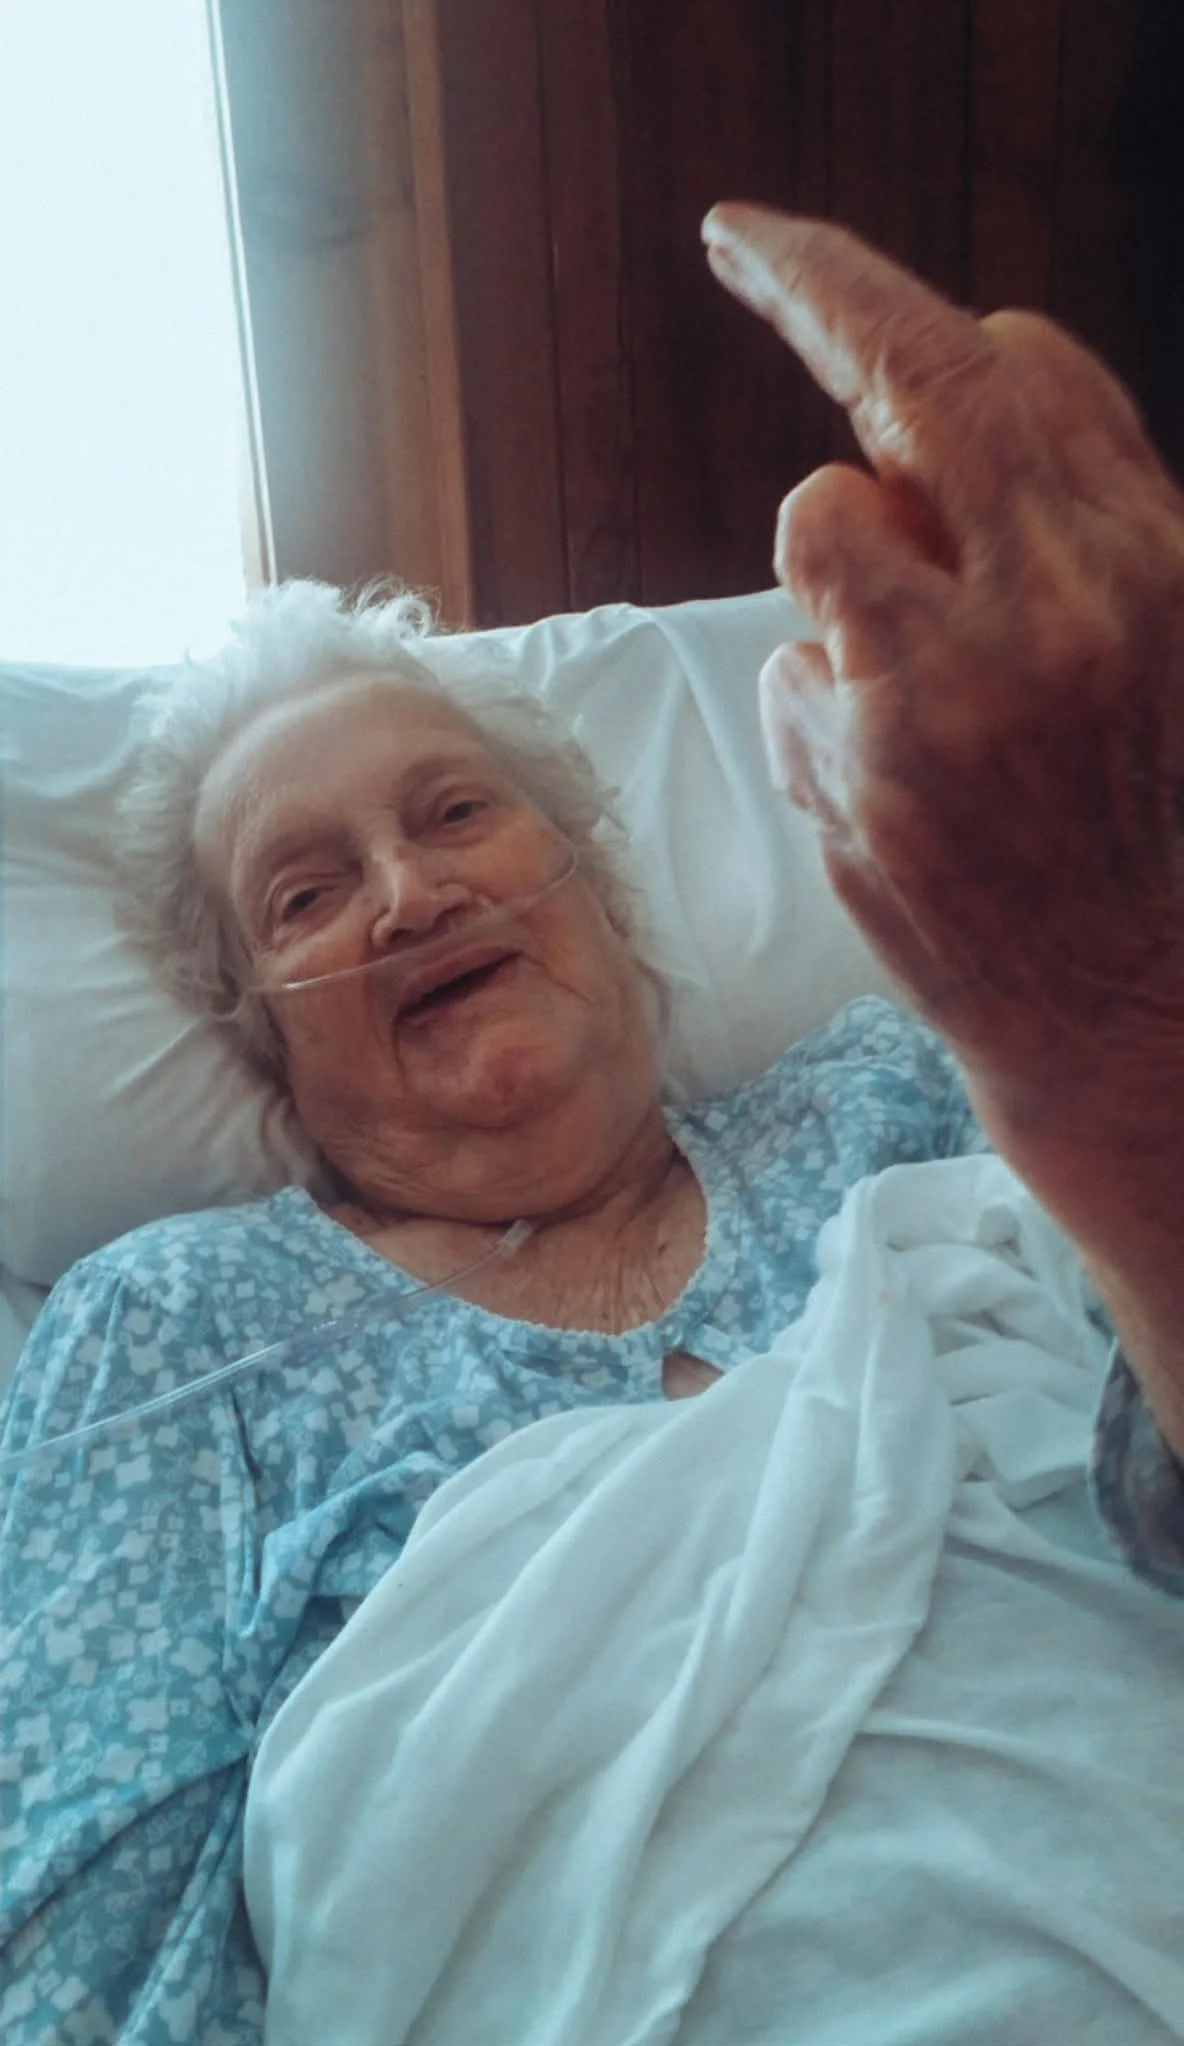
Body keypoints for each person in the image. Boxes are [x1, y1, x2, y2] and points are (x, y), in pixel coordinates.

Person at [0, 209, 1181, 2042]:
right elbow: (89, 1976)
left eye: (455, 814)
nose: (406, 892)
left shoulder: (903, 1084)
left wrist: (1120, 1040)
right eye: (305, 894)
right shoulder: (172, 1334)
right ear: (268, 1051)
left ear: (590, 886)